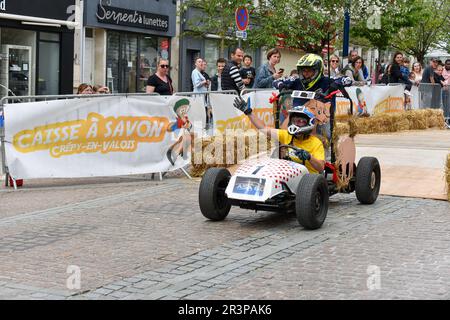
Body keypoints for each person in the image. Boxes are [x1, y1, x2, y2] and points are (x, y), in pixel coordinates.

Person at [233, 100, 325, 174]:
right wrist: (249, 113)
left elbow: (321, 168)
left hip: (308, 179)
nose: (297, 123)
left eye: (301, 121)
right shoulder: (286, 135)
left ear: (309, 123)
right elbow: (263, 128)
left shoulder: (316, 143)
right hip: (290, 174)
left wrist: (309, 157)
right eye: (295, 121)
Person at [166, 98, 193, 166]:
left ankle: (179, 152)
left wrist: (187, 125)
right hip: (177, 133)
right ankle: (176, 152)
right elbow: (172, 128)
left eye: (185, 108)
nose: (184, 111)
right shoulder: (177, 119)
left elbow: (189, 126)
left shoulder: (185, 119)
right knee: (185, 136)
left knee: (188, 136)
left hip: (184, 134)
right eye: (182, 109)